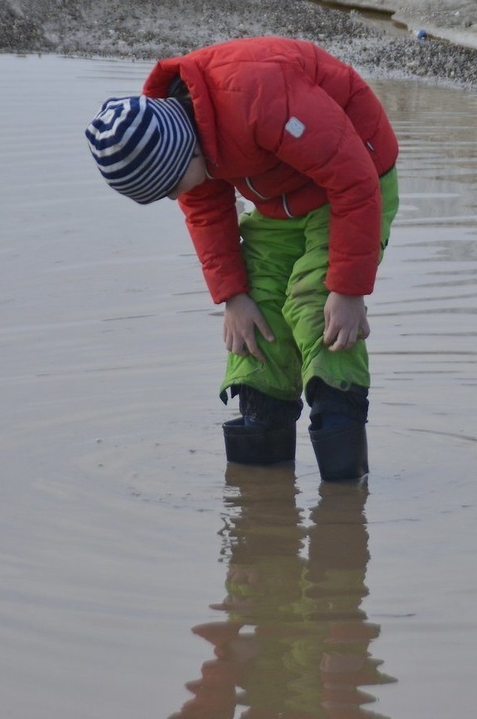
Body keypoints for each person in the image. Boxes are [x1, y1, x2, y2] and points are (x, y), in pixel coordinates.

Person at [85, 36, 399, 481]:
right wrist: (232, 296)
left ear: (189, 152)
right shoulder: (179, 126)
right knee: (256, 327)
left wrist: (348, 290)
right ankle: (261, 494)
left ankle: (345, 486)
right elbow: (206, 208)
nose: (177, 197)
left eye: (172, 186)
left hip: (354, 180)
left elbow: (353, 179)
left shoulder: (259, 98)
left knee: (317, 313)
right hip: (278, 197)